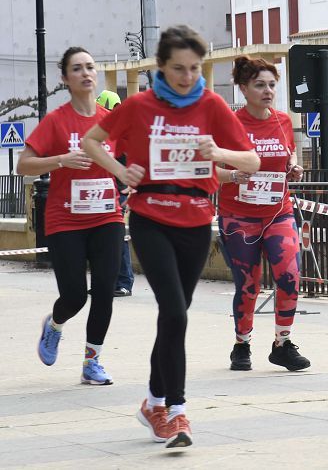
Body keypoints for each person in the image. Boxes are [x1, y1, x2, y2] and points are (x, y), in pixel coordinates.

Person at [83, 25, 259, 450]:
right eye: (178, 69)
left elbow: (251, 160)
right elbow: (92, 140)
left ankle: (153, 402)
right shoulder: (140, 106)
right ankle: (177, 413)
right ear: (161, 66)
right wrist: (121, 171)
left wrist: (218, 154)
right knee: (175, 313)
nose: (187, 77)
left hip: (197, 220)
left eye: (195, 69)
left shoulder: (212, 105)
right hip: (151, 218)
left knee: (173, 317)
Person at [18, 47, 124, 386]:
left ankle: (92, 362)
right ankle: (54, 325)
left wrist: (133, 181)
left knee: (105, 290)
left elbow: (129, 160)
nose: (85, 73)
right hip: (66, 220)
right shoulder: (56, 120)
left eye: (90, 67)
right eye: (77, 68)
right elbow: (23, 166)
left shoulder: (111, 123)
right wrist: (61, 159)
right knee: (76, 295)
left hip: (107, 216)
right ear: (66, 78)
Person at [216, 55, 309, 372]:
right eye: (259, 85)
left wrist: (294, 168)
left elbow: (288, 155)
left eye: (272, 85)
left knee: (290, 274)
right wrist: (233, 176)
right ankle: (242, 344)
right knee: (248, 283)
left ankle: (282, 344)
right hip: (238, 216)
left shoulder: (283, 120)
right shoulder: (229, 124)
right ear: (243, 88)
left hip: (277, 211)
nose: (268, 91)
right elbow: (205, 170)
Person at [97, 89, 134, 298]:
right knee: (103, 240)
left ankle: (123, 282)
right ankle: (106, 282)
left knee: (118, 238)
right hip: (104, 192)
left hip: (118, 193)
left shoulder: (121, 134)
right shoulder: (103, 133)